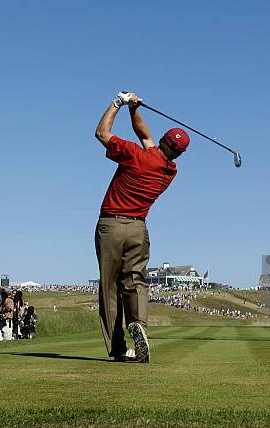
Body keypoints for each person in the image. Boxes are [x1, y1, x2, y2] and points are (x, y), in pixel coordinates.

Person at [94, 91, 190, 362]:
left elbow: (102, 133)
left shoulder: (136, 156)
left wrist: (117, 103)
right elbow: (145, 136)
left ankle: (118, 347)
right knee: (135, 281)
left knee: (109, 288)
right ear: (179, 154)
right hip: (139, 229)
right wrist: (133, 110)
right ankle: (141, 329)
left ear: (162, 139)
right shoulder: (169, 170)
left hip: (111, 225)